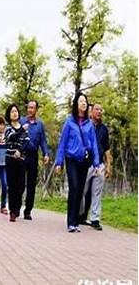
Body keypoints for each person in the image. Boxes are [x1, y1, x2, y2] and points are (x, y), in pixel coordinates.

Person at [55, 92, 101, 233]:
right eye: (81, 101)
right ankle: (71, 222)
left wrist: (96, 163)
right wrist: (59, 162)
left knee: (80, 190)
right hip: (71, 159)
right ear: (76, 104)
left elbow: (94, 144)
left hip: (84, 160)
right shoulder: (69, 122)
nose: (83, 103)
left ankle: (76, 222)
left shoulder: (89, 125)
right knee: (74, 187)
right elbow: (62, 143)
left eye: (85, 101)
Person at [79, 103, 112, 230]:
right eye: (97, 109)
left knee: (97, 193)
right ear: (91, 112)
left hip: (100, 165)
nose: (99, 112)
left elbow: (107, 149)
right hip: (87, 163)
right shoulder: (85, 125)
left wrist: (109, 166)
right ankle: (79, 215)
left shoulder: (104, 129)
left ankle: (95, 219)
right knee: (82, 190)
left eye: (101, 109)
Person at [19, 100, 50, 220]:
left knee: (31, 185)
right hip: (22, 155)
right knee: (20, 183)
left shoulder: (40, 124)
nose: (30, 110)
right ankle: (16, 207)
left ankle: (28, 211)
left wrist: (46, 153)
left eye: (32, 108)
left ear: (36, 109)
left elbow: (43, 141)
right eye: (29, 107)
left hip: (33, 156)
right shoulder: (22, 121)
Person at [4, 104, 31, 222]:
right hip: (10, 159)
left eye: (16, 111)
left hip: (21, 159)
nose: (15, 113)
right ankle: (12, 211)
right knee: (12, 185)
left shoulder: (23, 128)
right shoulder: (8, 128)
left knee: (20, 186)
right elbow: (12, 138)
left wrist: (20, 151)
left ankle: (18, 206)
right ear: (9, 115)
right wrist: (21, 130)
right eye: (12, 112)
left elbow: (26, 141)